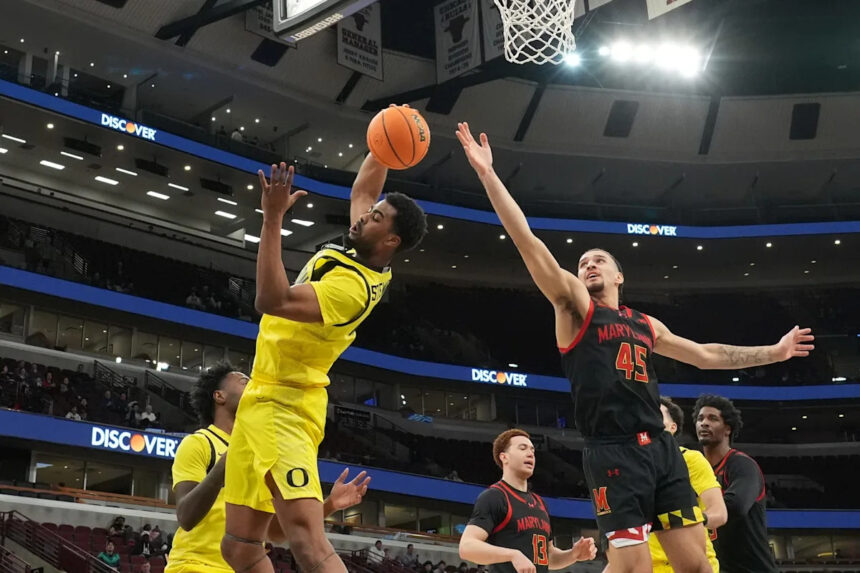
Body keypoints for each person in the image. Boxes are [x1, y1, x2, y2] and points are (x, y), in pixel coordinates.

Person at [455, 121, 814, 573]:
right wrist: (488, 175)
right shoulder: (574, 310)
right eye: (582, 262)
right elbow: (530, 244)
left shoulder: (645, 323)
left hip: (662, 453)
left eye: (598, 260)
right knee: (634, 569)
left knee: (698, 566)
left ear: (619, 276)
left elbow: (706, 353)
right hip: (612, 451)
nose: (588, 265)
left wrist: (774, 351)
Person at [221, 127, 427, 573]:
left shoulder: (353, 289)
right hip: (261, 398)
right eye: (371, 213)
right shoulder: (365, 244)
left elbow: (270, 300)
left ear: (391, 241)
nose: (365, 215)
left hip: (286, 405)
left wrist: (272, 218)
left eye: (376, 218)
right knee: (238, 546)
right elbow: (366, 186)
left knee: (308, 543)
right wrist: (387, 132)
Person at [169, 362, 371, 573]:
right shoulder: (200, 443)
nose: (253, 386)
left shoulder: (261, 453)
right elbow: (186, 516)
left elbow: (275, 533)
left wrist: (330, 505)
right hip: (195, 566)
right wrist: (225, 464)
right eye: (244, 381)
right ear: (219, 396)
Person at [460, 429, 597, 573]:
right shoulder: (495, 497)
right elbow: (467, 547)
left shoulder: (540, 503)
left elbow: (548, 557)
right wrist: (513, 555)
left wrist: (573, 555)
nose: (530, 453)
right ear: (504, 457)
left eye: (532, 450)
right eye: (522, 448)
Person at [642, 397, 727, 573]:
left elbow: (719, 513)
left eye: (656, 415)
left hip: (693, 564)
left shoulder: (690, 459)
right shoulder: (630, 467)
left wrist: (684, 523)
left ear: (672, 427)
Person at [695, 395, 777, 573]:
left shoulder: (741, 464)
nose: (704, 423)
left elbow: (736, 505)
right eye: (700, 418)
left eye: (713, 418)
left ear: (728, 429)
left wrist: (691, 517)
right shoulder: (697, 470)